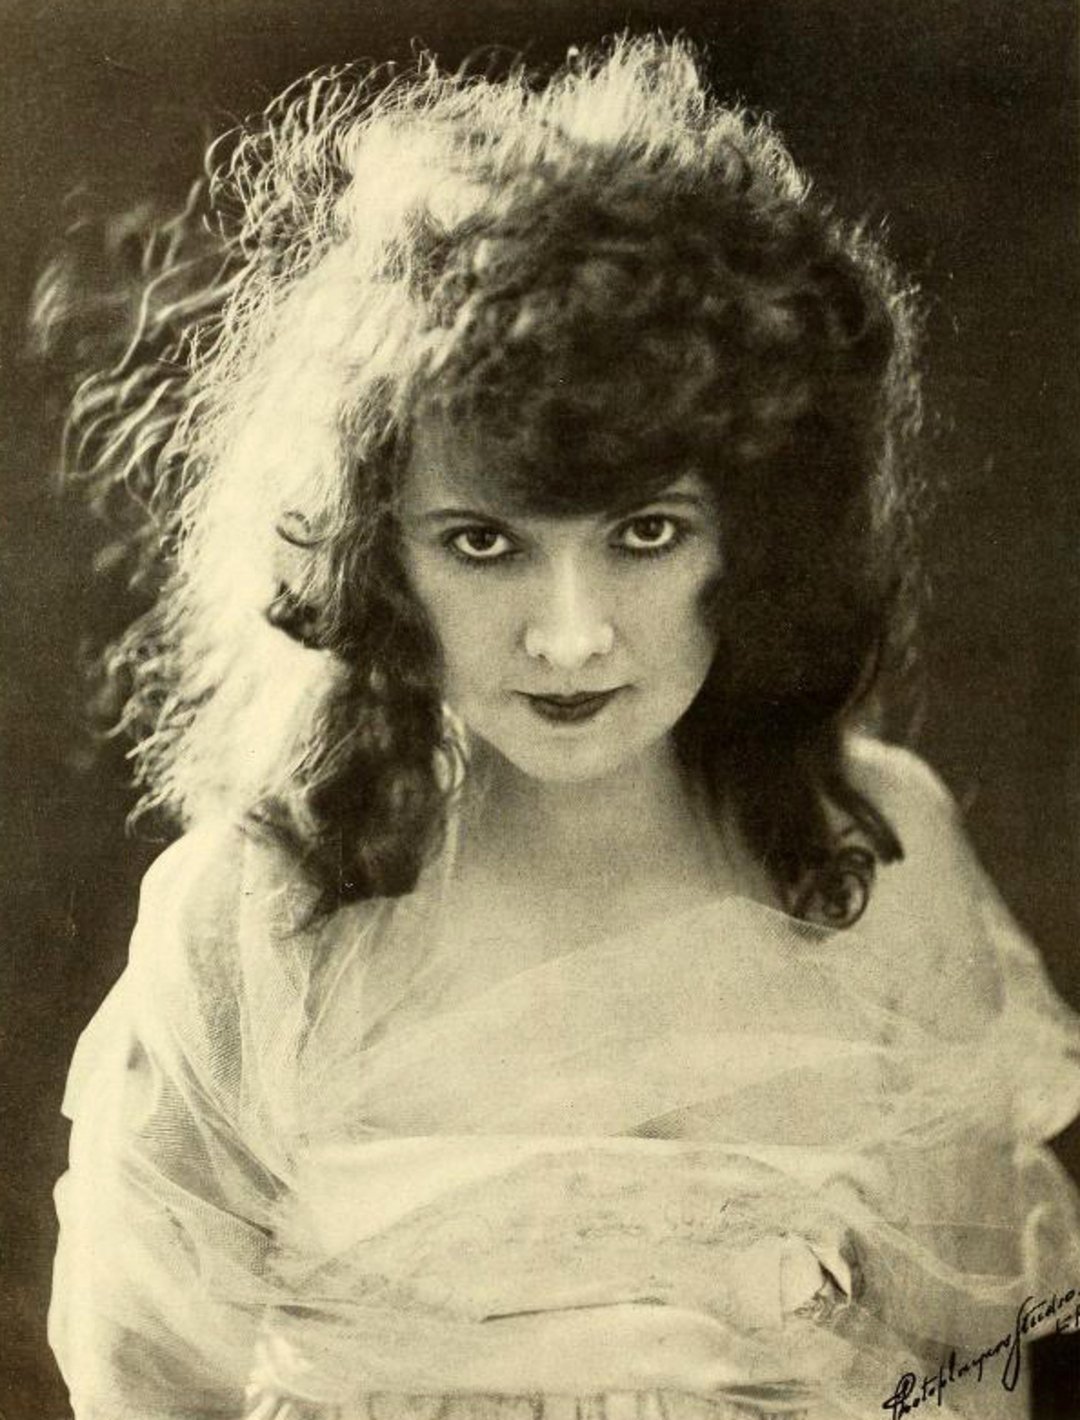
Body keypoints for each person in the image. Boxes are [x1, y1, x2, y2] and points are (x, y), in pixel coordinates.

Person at [44, 35, 1080, 1420]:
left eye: (647, 533)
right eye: (484, 544)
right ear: (374, 555)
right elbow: (145, 1391)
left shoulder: (878, 857)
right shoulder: (256, 914)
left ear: (757, 538)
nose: (573, 634)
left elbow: (970, 1381)